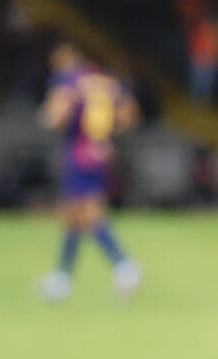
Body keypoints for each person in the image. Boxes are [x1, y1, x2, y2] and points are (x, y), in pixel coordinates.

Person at [37, 41, 142, 302]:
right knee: (74, 216)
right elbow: (130, 114)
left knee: (89, 214)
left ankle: (124, 265)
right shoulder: (105, 80)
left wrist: (48, 117)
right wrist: (107, 136)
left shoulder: (68, 81)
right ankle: (62, 278)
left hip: (78, 153)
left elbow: (55, 117)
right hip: (99, 153)